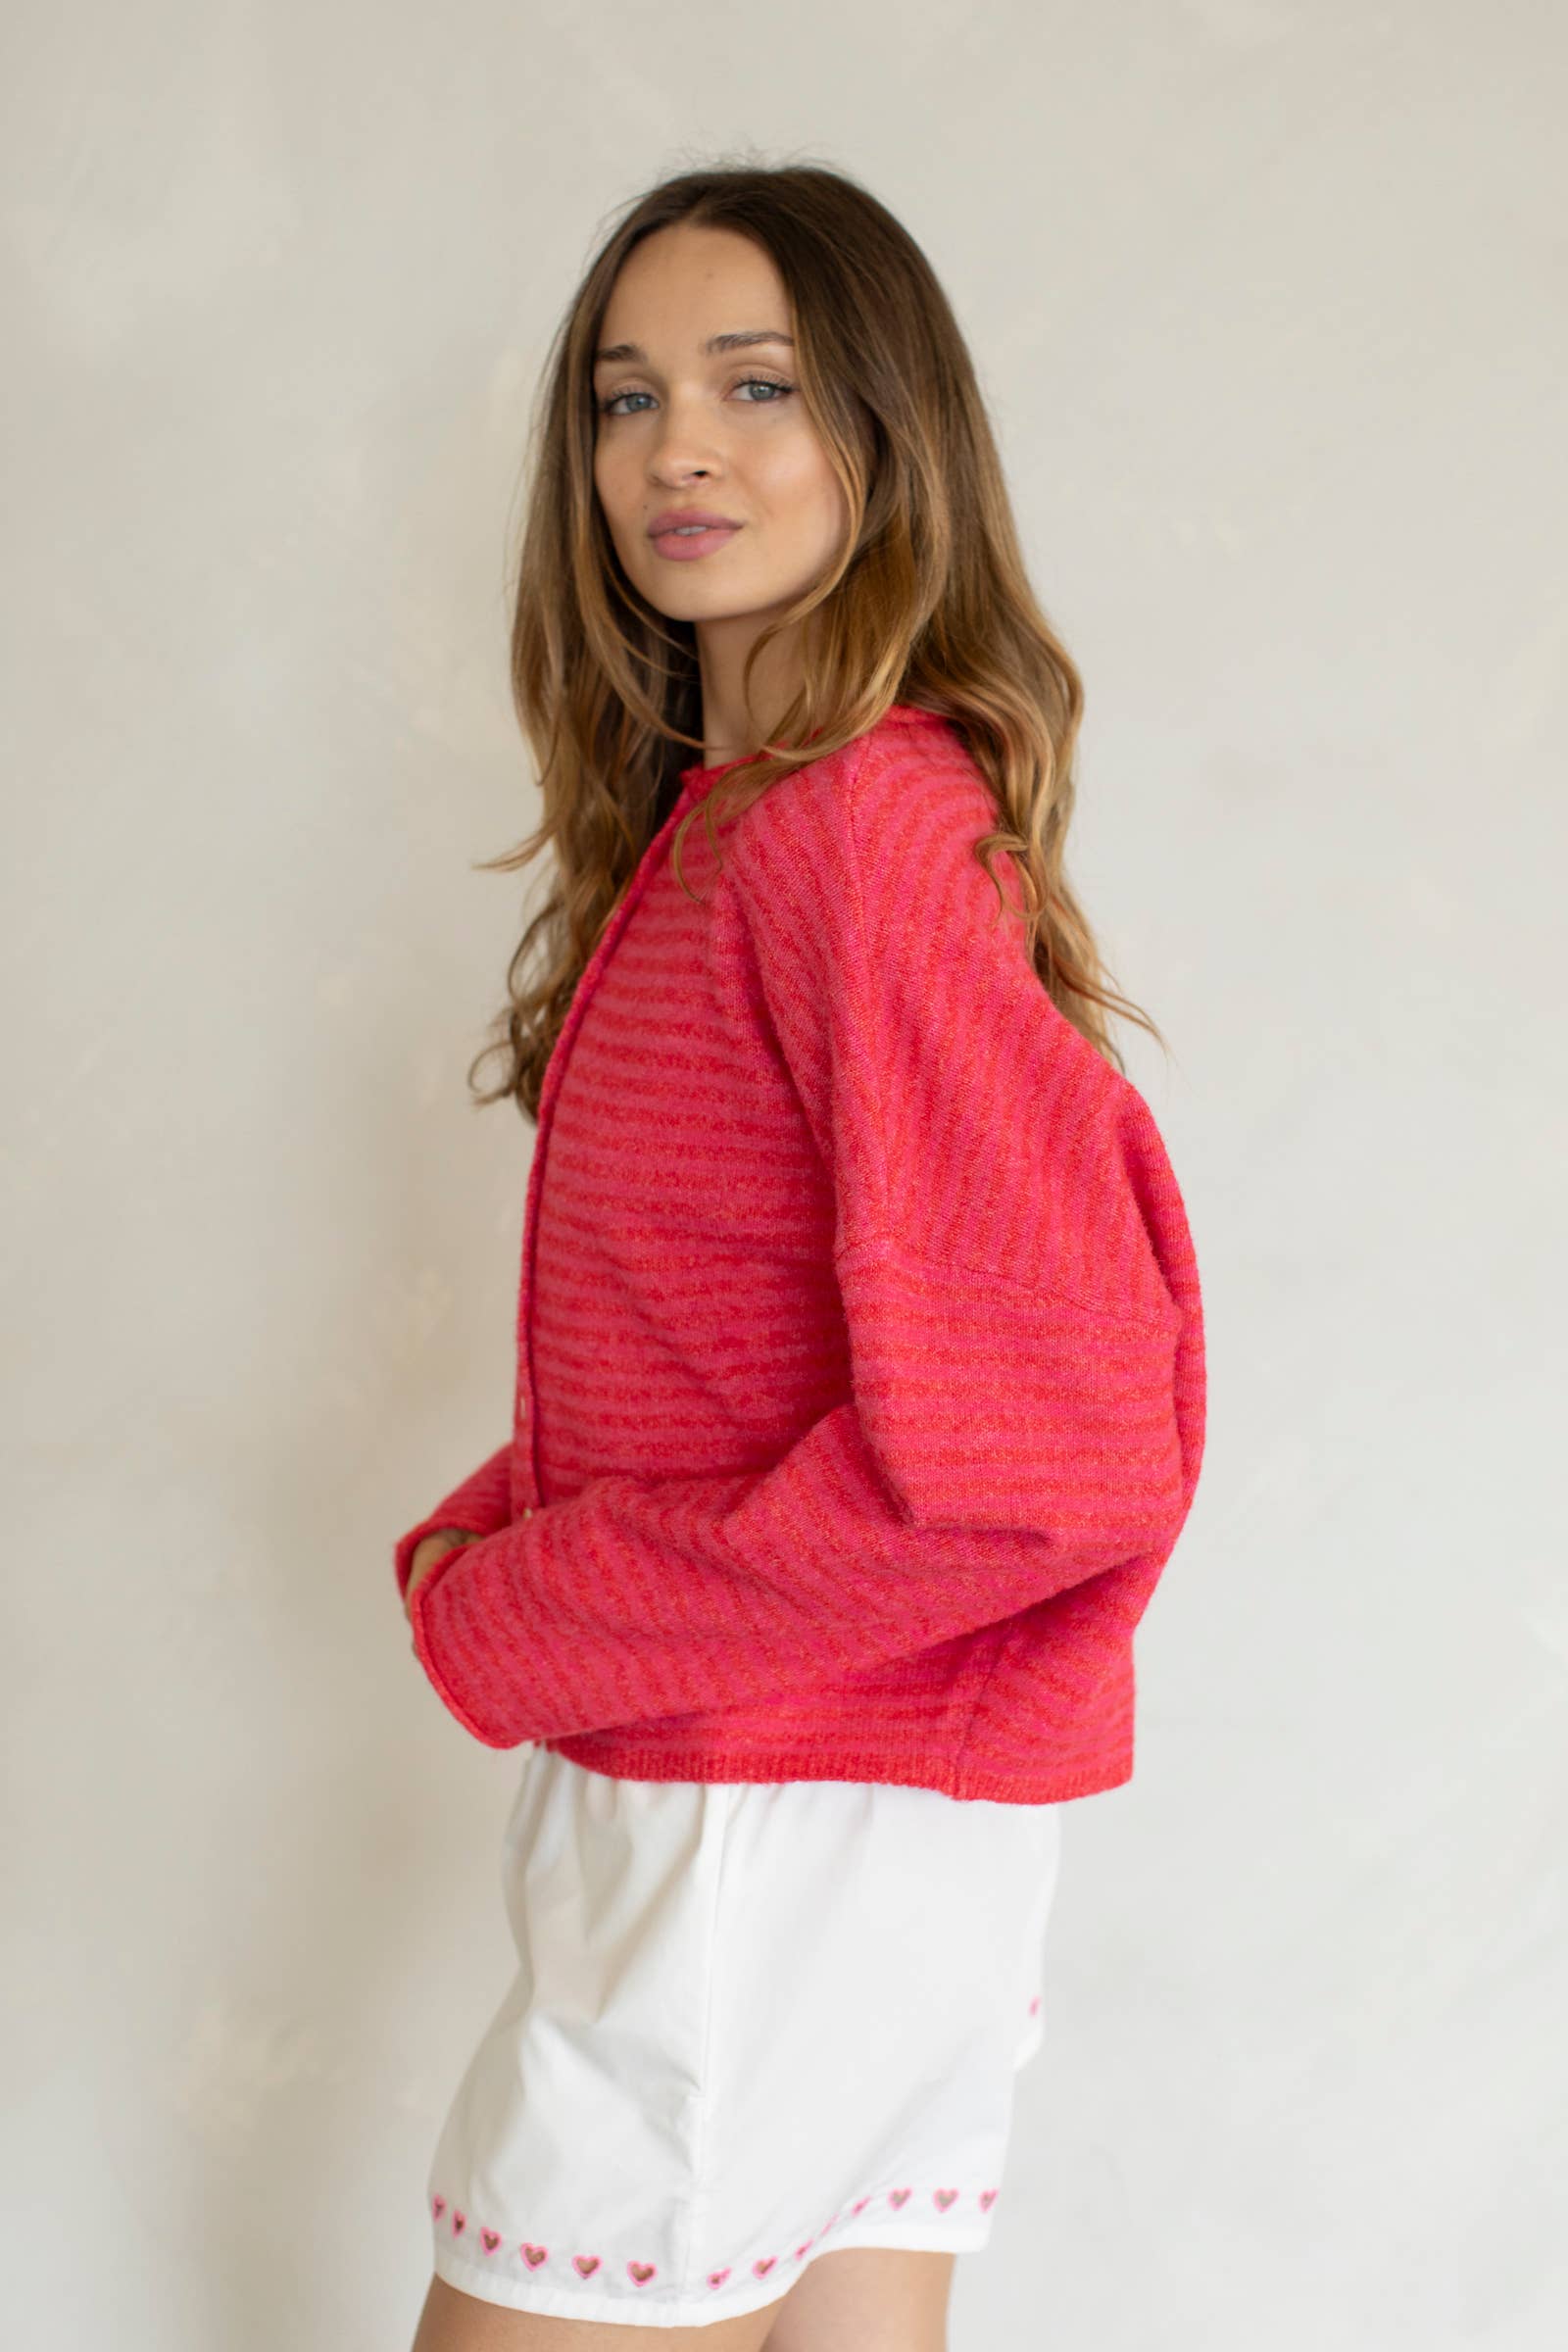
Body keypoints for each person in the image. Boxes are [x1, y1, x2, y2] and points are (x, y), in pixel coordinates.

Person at [395, 160, 1206, 2352]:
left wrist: (534, 1606)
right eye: (621, 394)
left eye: (755, 384)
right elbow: (715, 1363)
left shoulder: (851, 828)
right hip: (828, 1813)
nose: (675, 449)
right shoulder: (738, 815)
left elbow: (1044, 1455)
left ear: (884, 432)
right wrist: (496, 1549)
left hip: (765, 1826)